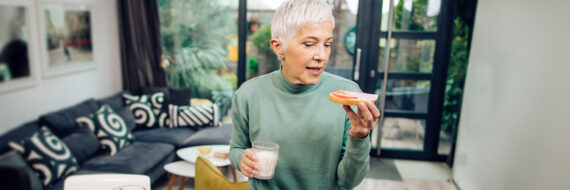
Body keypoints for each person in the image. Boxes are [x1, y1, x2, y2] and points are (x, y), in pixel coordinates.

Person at [229, 0, 380, 189]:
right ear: (278, 47)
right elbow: (236, 149)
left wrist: (359, 137)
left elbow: (349, 182)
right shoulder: (248, 94)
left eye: (327, 44)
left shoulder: (348, 98)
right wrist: (242, 159)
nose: (322, 56)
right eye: (309, 44)